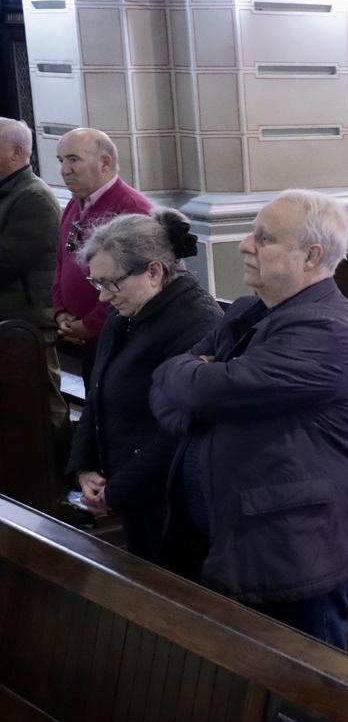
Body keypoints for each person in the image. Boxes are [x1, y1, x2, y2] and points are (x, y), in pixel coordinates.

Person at [151, 191, 348, 647]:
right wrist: (195, 385)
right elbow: (168, 385)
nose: (245, 245)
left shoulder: (323, 328)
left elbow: (204, 388)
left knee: (307, 693)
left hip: (295, 551)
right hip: (241, 540)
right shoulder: (253, 308)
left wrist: (198, 384)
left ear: (311, 256)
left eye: (264, 238)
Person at [66, 211, 220, 563]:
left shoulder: (197, 323)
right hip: (133, 492)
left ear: (154, 271)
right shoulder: (125, 313)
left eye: (111, 282)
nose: (103, 297)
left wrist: (116, 493)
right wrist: (85, 466)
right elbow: (98, 393)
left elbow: (179, 431)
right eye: (97, 283)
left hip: (173, 506)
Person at [51, 129, 153, 355]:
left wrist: (90, 325)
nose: (64, 170)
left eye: (73, 160)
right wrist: (60, 311)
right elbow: (61, 261)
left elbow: (133, 282)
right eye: (61, 160)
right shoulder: (74, 203)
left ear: (104, 162)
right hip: (82, 334)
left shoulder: (132, 209)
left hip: (118, 341)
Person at [0, 117, 58, 430]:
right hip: (9, 321)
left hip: (28, 322)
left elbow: (6, 260)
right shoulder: (7, 193)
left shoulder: (33, 197)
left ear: (17, 152)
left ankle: (58, 470)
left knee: (42, 404)